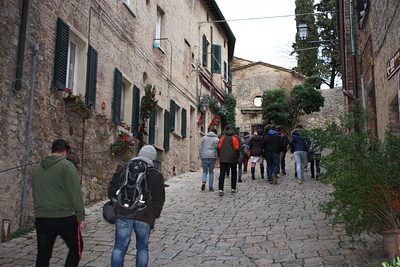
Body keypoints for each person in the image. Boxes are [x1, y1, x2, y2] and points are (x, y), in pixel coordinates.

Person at [109, 145, 165, 267]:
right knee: (142, 248)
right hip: (145, 215)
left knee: (119, 247)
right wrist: (154, 215)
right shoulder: (155, 174)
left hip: (124, 213)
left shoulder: (123, 169)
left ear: (139, 154)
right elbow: (159, 198)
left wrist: (117, 205)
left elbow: (112, 189)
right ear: (153, 158)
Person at [32, 139, 86, 267]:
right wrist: (81, 216)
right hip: (64, 217)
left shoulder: (38, 168)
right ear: (65, 152)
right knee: (76, 248)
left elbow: (36, 192)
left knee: (43, 255)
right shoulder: (67, 166)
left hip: (42, 218)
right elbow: (75, 193)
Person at [217, 125, 241, 196]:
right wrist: (237, 155)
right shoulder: (235, 138)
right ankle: (233, 188)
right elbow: (237, 148)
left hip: (223, 158)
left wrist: (220, 155)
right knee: (234, 173)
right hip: (233, 158)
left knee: (222, 174)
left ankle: (221, 189)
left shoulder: (222, 137)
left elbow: (218, 147)